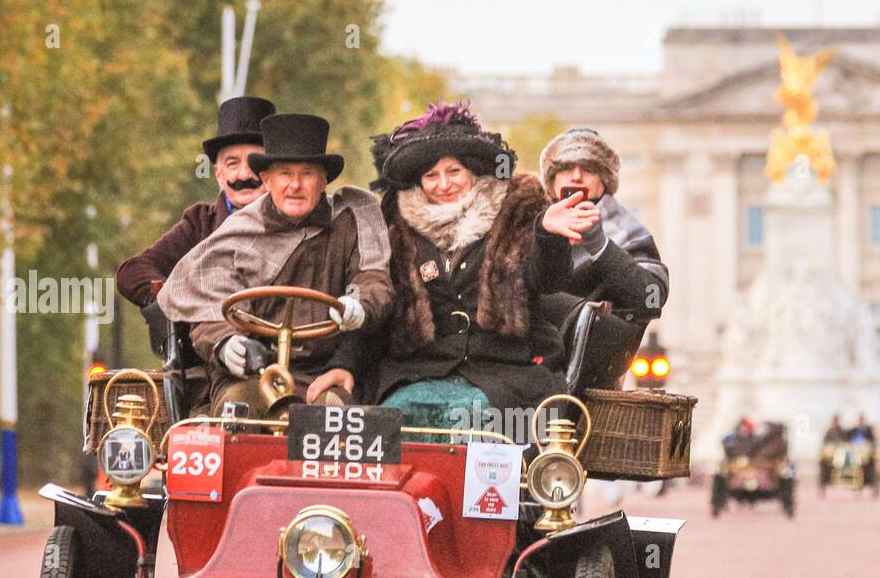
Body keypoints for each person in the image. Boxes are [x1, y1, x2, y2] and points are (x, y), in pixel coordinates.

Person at [365, 101, 591, 431]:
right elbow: (380, 308)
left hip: (504, 373)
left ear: (472, 172)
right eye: (431, 175)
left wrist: (547, 234)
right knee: (392, 417)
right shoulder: (399, 232)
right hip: (422, 372)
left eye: (453, 172)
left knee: (472, 417)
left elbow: (550, 279)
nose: (444, 185)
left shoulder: (516, 214)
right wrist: (344, 364)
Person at [158, 113, 394, 416]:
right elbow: (206, 308)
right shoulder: (238, 234)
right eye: (284, 174)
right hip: (251, 374)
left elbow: (374, 280)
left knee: (333, 415)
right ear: (267, 180)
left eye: (307, 173)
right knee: (236, 411)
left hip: (323, 373)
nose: (295, 185)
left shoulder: (351, 222)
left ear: (323, 181)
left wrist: (359, 305)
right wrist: (226, 343)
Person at [118, 96, 277, 359]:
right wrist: (182, 297)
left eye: (254, 163)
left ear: (272, 170)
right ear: (218, 174)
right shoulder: (199, 224)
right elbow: (131, 272)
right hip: (212, 360)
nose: (243, 175)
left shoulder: (298, 223)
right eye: (232, 164)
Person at [536, 127, 669, 366]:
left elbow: (652, 298)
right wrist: (545, 235)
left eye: (588, 169)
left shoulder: (628, 231)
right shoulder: (529, 224)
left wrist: (601, 246)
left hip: (589, 361)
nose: (576, 177)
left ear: (604, 182)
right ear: (552, 182)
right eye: (566, 168)